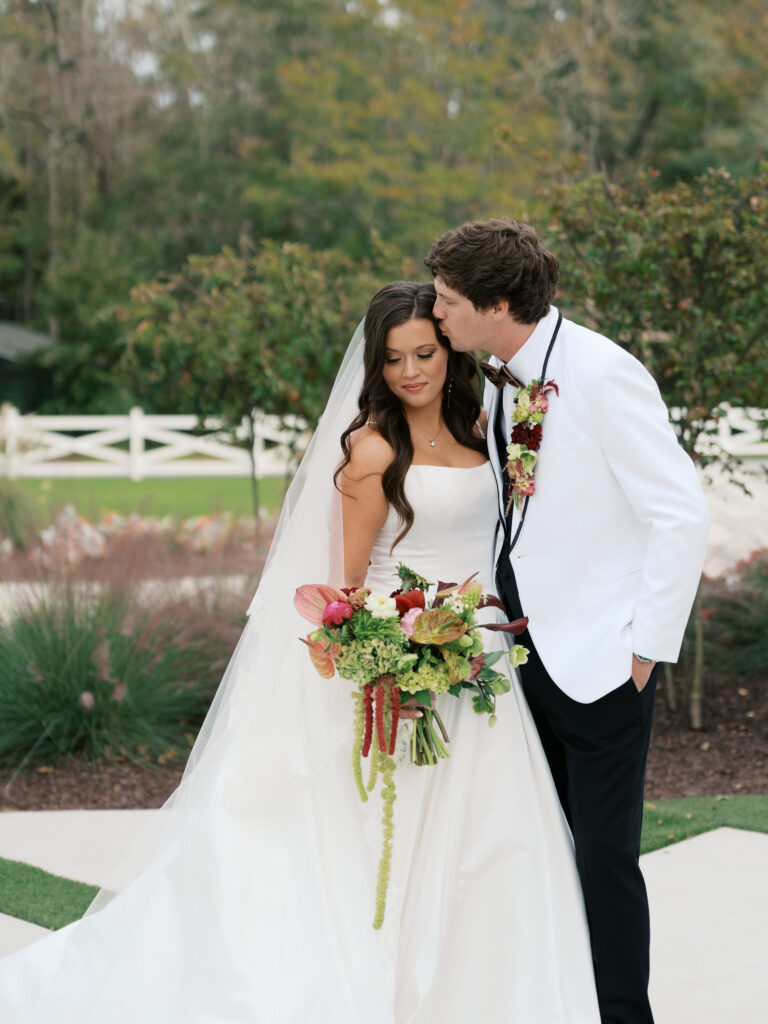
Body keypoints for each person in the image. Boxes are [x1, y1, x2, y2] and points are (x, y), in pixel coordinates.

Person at [0, 281, 601, 1023]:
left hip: (481, 668)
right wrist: (392, 660)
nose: (411, 372)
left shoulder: (484, 430)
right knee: (380, 846)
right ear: (375, 366)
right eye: (393, 359)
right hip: (401, 671)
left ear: (450, 349)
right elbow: (346, 590)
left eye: (424, 353)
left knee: (493, 843)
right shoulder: (372, 452)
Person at [425, 221, 710, 1024]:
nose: (438, 313)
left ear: (497, 304)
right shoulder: (503, 378)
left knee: (605, 859)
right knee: (539, 849)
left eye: (448, 301)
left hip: (602, 662)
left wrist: (646, 649)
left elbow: (680, 513)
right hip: (520, 657)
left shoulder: (601, 372)